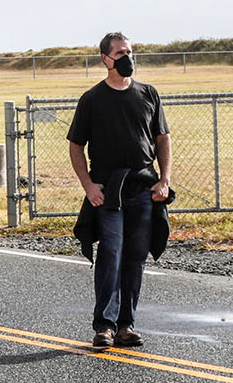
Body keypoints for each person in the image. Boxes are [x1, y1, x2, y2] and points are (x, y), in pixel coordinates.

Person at [68, 32, 172, 349]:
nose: (127, 57)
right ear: (105, 58)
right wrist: (89, 186)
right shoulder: (92, 99)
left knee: (135, 256)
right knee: (111, 253)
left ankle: (126, 324)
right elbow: (75, 146)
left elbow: (162, 139)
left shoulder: (148, 93)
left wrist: (163, 180)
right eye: (120, 52)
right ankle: (105, 326)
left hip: (142, 188)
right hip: (109, 190)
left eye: (130, 51)